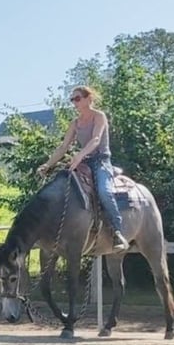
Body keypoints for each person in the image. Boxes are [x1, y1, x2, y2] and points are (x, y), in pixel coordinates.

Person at [36, 85, 129, 251]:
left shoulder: (99, 116)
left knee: (104, 191)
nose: (74, 102)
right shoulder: (75, 123)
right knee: (61, 187)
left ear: (88, 99)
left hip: (101, 161)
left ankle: (117, 232)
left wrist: (79, 156)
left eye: (77, 98)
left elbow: (95, 140)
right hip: (83, 162)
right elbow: (63, 147)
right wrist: (47, 165)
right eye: (72, 99)